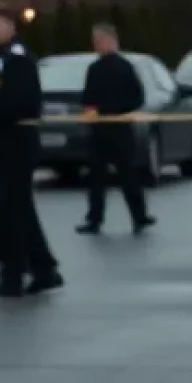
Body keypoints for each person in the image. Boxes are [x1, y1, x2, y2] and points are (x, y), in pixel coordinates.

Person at [0, 1, 64, 298]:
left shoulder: (19, 61)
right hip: (4, 142)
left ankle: (12, 278)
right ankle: (45, 269)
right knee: (20, 209)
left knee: (11, 213)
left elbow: (21, 104)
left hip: (17, 143)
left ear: (11, 27)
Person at [77, 21, 154, 236]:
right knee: (108, 176)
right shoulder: (104, 68)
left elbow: (90, 100)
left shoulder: (116, 67)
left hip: (113, 129)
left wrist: (104, 113)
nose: (95, 44)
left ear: (110, 40)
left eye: (98, 40)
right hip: (110, 129)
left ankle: (124, 217)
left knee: (115, 176)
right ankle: (128, 216)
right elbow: (136, 97)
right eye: (94, 41)